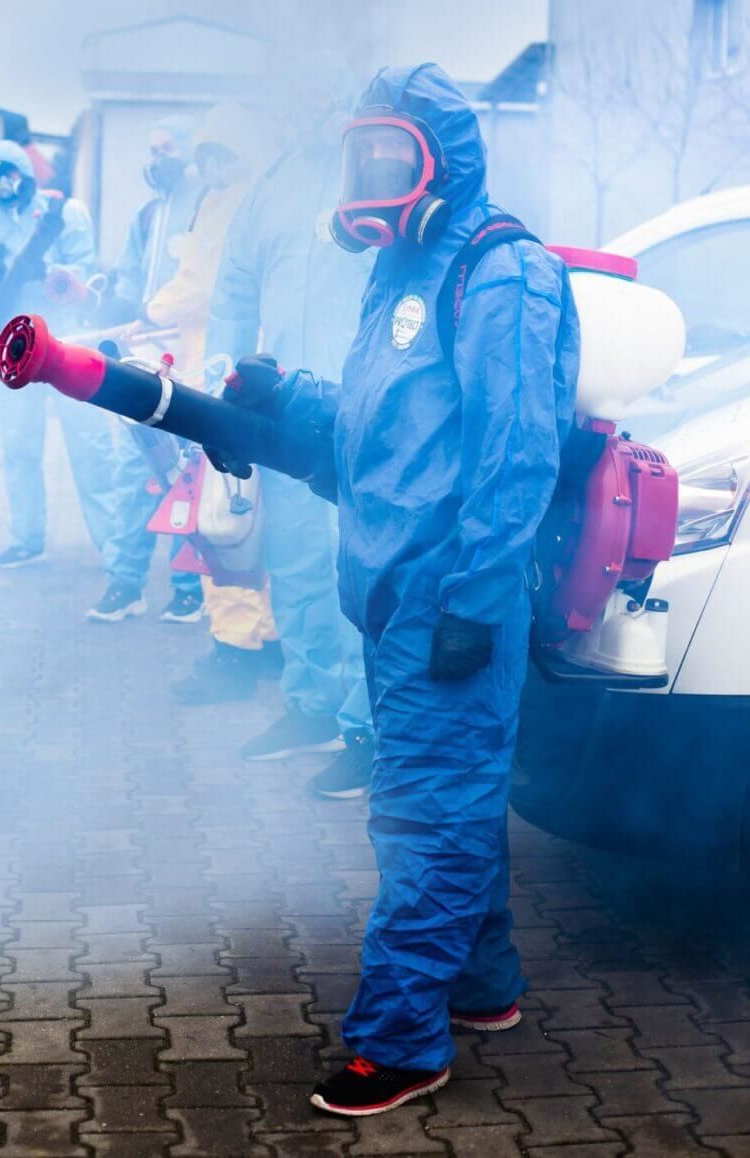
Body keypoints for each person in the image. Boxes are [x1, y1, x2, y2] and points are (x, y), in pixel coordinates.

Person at [206, 64, 580, 1115]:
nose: (371, 176)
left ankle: (402, 1041)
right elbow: (379, 423)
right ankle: (483, 984)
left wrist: (475, 599)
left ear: (442, 162)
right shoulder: (403, 266)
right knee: (459, 802)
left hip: (451, 595)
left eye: (393, 156)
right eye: (361, 153)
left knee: (423, 817)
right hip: (391, 586)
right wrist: (286, 399)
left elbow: (516, 454)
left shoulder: (503, 273)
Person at [205, 54, 376, 794]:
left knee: (362, 573)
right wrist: (226, 372)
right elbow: (234, 285)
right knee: (299, 563)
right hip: (283, 415)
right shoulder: (272, 186)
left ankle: (370, 732)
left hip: (363, 415)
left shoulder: (375, 175)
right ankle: (310, 705)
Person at [131, 102, 282, 700]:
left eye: (221, 155)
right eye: (207, 157)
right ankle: (264, 637)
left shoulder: (230, 206)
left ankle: (236, 646)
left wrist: (149, 314)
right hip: (240, 373)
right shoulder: (257, 200)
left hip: (217, 381)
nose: (212, 167)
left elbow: (200, 286)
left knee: (220, 515)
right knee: (248, 510)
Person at [0, 140, 123, 576]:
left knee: (89, 448)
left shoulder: (62, 215)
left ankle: (116, 551)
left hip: (66, 346)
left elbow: (86, 272)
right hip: (12, 350)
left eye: (10, 176)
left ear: (27, 175)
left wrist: (48, 274)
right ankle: (27, 539)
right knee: (18, 448)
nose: (4, 187)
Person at [88, 115, 206, 625]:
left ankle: (188, 587)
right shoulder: (148, 216)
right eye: (151, 151)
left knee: (185, 471)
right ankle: (125, 582)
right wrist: (106, 303)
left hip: (190, 356)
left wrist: (159, 315)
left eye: (166, 149)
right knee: (133, 470)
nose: (156, 161)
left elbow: (207, 282)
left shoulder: (207, 208)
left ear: (189, 150)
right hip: (143, 357)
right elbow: (128, 280)